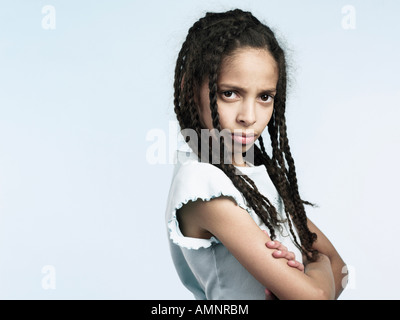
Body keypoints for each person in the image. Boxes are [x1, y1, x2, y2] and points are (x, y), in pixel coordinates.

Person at [165, 8, 347, 300]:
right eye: (230, 93)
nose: (249, 116)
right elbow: (318, 294)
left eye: (264, 97)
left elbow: (341, 268)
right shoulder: (201, 183)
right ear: (190, 90)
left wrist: (317, 272)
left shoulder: (255, 176)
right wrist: (317, 264)